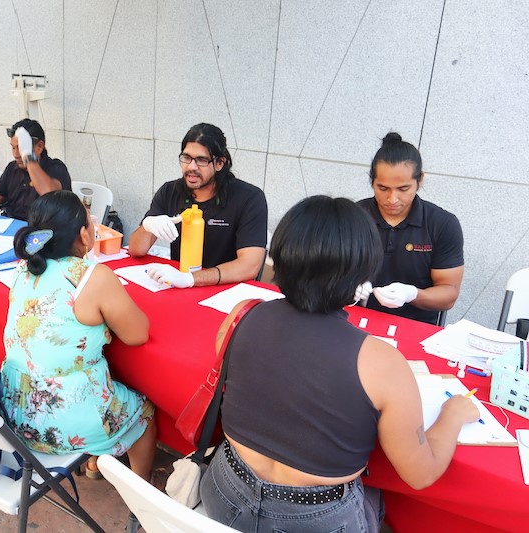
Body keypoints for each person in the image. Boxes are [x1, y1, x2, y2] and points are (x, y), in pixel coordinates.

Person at [200, 195, 480, 532]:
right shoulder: (381, 361)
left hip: (224, 487)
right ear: (361, 274)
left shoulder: (243, 313)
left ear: (280, 258)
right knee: (380, 499)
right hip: (315, 517)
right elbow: (420, 474)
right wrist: (453, 415)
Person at [1, 190, 157, 481]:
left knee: (88, 380)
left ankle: (94, 463)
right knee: (144, 412)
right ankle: (141, 495)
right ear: (85, 236)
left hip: (13, 412)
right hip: (62, 424)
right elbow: (138, 334)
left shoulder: (24, 268)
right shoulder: (92, 276)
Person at [128, 123, 267, 288]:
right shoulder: (169, 191)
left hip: (226, 291)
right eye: (186, 158)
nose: (191, 167)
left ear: (219, 163)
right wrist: (148, 225)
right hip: (178, 286)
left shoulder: (249, 198)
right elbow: (136, 250)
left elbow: (249, 266)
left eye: (201, 160)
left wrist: (190, 279)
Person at [357, 132, 464, 324]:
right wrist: (345, 287)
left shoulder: (442, 224)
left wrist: (412, 294)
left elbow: (449, 293)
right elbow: (321, 273)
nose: (392, 199)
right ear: (372, 181)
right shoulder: (353, 216)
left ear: (420, 180)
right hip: (356, 319)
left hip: (415, 326)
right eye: (383, 188)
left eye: (403, 189)